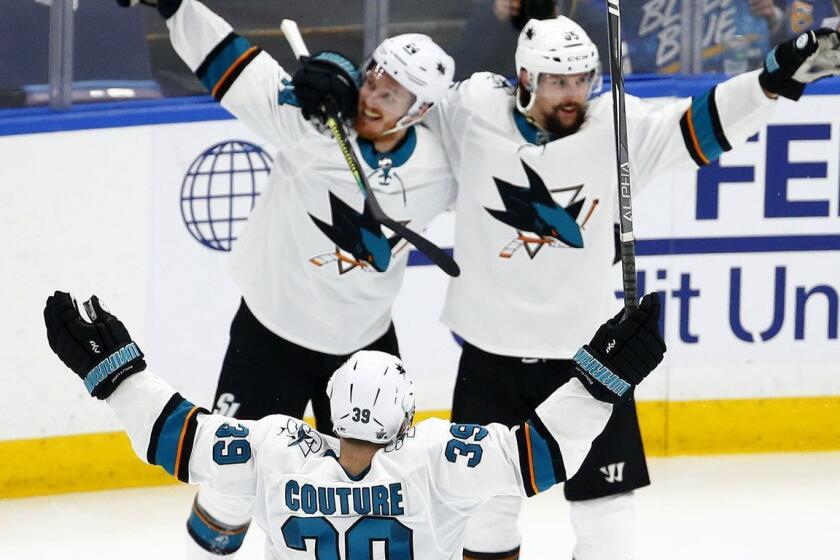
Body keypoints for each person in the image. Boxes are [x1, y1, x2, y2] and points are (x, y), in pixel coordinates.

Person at [420, 16, 840, 560]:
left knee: (608, 524)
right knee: (483, 521)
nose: (573, 95)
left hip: (593, 360)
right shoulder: (473, 110)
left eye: (582, 80)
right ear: (524, 77)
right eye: (557, 81)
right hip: (490, 361)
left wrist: (774, 79)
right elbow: (404, 103)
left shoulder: (618, 128)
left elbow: (702, 125)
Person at [116, 0, 456, 557]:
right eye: (372, 78)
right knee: (229, 488)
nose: (370, 96)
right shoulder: (314, 121)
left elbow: (502, 147)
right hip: (268, 338)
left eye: (390, 94)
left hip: (363, 355)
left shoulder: (443, 166)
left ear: (418, 112)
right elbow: (234, 66)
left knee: (378, 491)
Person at [42, 289, 666, 560]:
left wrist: (117, 376)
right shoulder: (433, 452)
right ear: (405, 414)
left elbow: (173, 435)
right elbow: (543, 455)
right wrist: (596, 382)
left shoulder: (274, 444)